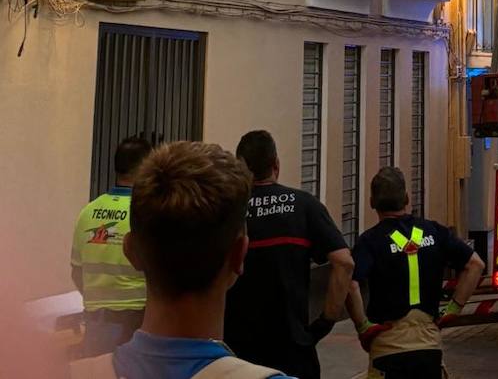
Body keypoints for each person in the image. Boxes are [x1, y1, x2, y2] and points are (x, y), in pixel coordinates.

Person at [70, 139, 289, 378]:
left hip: (99, 324)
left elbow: (76, 270)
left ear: (131, 251)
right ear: (239, 255)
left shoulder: (66, 373)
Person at [225, 130, 354, 379]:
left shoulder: (229, 209)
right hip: (292, 348)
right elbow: (344, 262)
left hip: (237, 350)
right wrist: (325, 322)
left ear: (240, 168)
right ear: (276, 165)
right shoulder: (304, 205)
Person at [346, 167, 485, 379]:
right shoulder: (434, 231)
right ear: (407, 198)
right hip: (429, 347)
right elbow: (475, 265)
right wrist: (454, 308)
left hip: (387, 348)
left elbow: (350, 283)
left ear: (372, 202)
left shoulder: (370, 241)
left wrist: (363, 326)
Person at [71, 136, 151, 356]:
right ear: (146, 168)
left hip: (96, 324)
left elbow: (76, 270)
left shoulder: (88, 212)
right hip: (137, 322)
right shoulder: (145, 214)